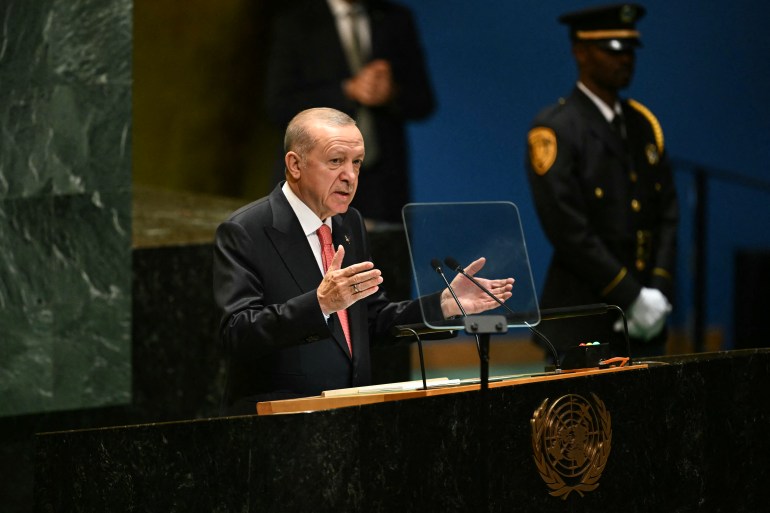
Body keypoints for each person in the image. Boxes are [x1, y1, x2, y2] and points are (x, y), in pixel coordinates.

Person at [214, 107, 513, 415]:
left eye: (356, 162)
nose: (350, 176)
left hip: (350, 418)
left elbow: (370, 321)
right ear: (295, 164)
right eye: (335, 161)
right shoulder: (246, 230)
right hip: (279, 423)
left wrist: (444, 304)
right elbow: (236, 333)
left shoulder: (349, 223)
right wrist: (320, 305)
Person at [525, 4, 678, 359]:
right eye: (611, 49)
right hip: (583, 313)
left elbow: (667, 212)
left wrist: (657, 290)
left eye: (629, 50)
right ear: (580, 52)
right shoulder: (557, 127)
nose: (624, 59)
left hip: (648, 318)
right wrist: (631, 296)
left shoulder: (643, 125)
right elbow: (567, 228)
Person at [264, 0, 435, 228]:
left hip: (382, 191)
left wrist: (391, 92)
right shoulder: (296, 21)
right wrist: (347, 91)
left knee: (385, 262)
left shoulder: (395, 19)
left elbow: (423, 102)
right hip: (313, 189)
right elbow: (278, 105)